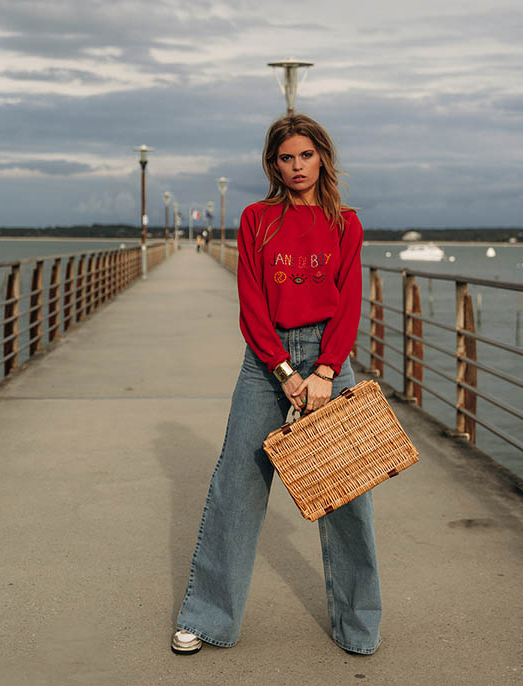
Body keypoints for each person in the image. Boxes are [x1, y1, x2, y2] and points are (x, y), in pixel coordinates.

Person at [172, 113, 382, 656]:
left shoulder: (346, 222)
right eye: (285, 158)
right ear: (273, 164)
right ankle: (209, 617)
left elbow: (350, 301)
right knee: (236, 487)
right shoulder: (256, 219)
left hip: (330, 361)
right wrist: (285, 371)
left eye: (305, 156)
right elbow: (252, 302)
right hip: (268, 362)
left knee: (347, 495)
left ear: (322, 159)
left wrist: (326, 372)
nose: (296, 167)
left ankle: (358, 626)